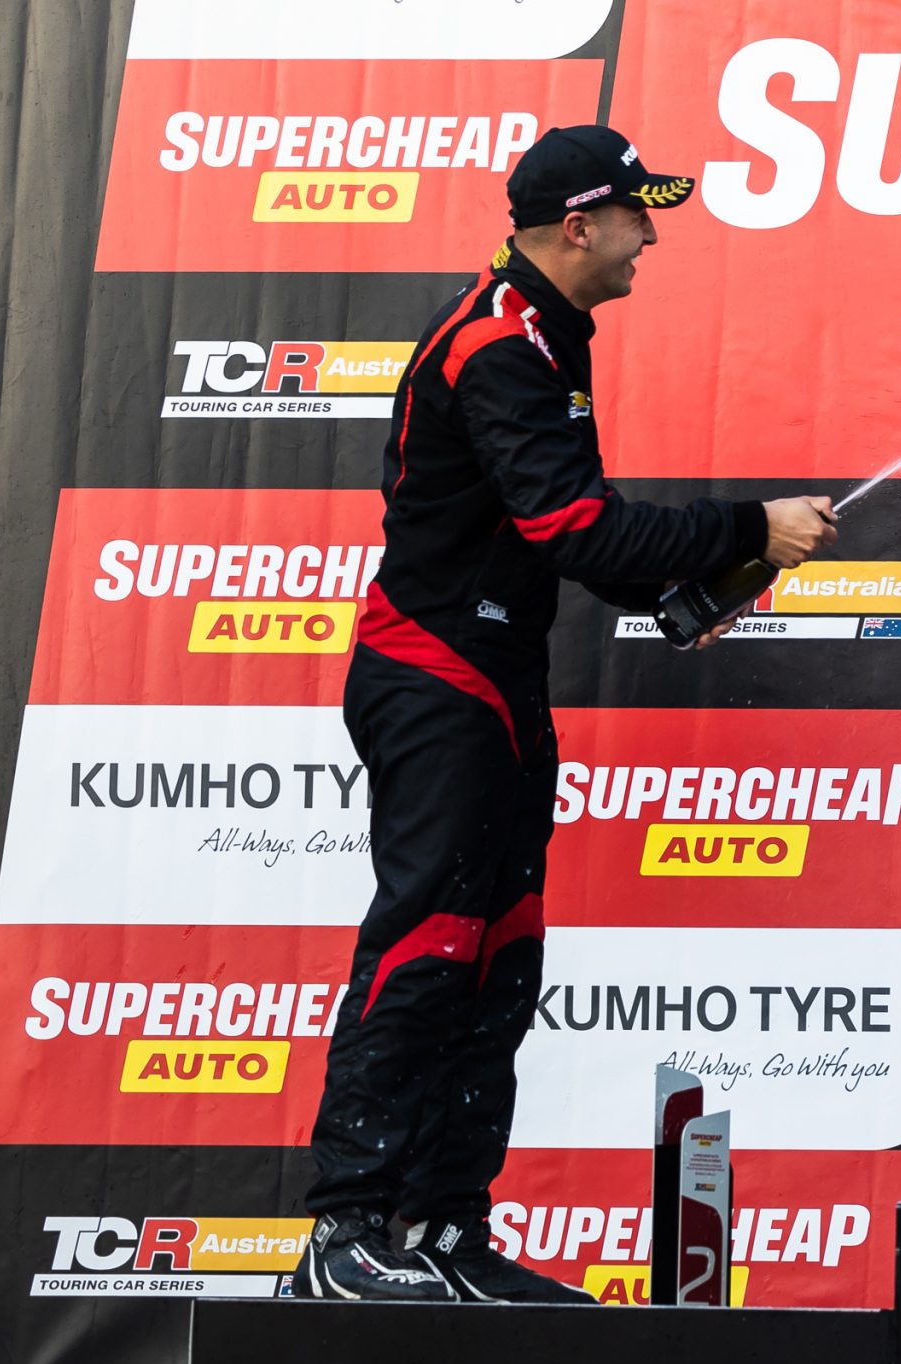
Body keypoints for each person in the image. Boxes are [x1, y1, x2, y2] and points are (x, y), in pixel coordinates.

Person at [295, 126, 836, 1302]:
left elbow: (563, 532)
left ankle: (441, 1235)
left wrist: (688, 589)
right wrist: (750, 526)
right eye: (641, 213)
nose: (655, 233)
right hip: (438, 676)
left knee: (499, 956)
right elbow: (572, 527)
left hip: (492, 671)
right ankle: (344, 1240)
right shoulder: (499, 343)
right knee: (429, 941)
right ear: (578, 225)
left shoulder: (547, 335)